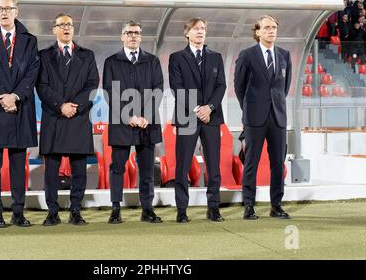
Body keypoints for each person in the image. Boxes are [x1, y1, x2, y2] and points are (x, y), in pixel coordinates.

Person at [0, 0, 39, 228]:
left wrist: (16, 96)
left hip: (19, 108)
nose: (4, 12)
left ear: (17, 11)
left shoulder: (30, 41)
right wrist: (4, 97)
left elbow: (33, 72)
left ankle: (18, 212)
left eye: (8, 8)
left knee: (17, 166)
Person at [36, 13, 99, 226]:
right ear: (54, 29)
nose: (66, 28)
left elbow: (92, 85)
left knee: (79, 169)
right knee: (51, 170)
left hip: (78, 118)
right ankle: (52, 211)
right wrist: (61, 105)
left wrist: (76, 107)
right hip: (54, 117)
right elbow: (41, 86)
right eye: (61, 25)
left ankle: (75, 210)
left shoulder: (87, 55)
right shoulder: (43, 56)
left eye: (69, 25)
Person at [102, 21, 164, 224]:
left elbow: (158, 89)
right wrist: (129, 116)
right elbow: (110, 92)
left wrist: (145, 116)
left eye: (137, 33)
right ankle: (115, 209)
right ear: (122, 37)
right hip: (122, 123)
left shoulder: (152, 61)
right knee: (117, 167)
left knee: (147, 169)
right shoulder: (111, 62)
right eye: (128, 33)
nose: (133, 36)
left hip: (148, 123)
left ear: (141, 36)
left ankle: (147, 209)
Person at [168, 18, 227, 223]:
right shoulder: (176, 58)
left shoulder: (216, 57)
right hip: (187, 116)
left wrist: (209, 108)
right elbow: (177, 87)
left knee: (214, 166)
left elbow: (221, 86)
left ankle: (213, 209)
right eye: (196, 28)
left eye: (203, 28)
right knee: (182, 165)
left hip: (212, 117)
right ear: (187, 33)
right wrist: (197, 109)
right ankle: (182, 210)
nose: (200, 31)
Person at [234, 15, 292, 220]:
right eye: (267, 27)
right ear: (257, 32)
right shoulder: (247, 55)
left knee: (278, 163)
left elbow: (283, 88)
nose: (271, 31)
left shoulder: (284, 55)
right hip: (254, 118)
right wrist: (249, 109)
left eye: (274, 27)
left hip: (278, 117)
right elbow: (239, 87)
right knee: (251, 162)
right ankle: (249, 205)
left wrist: (274, 105)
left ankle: (276, 205)